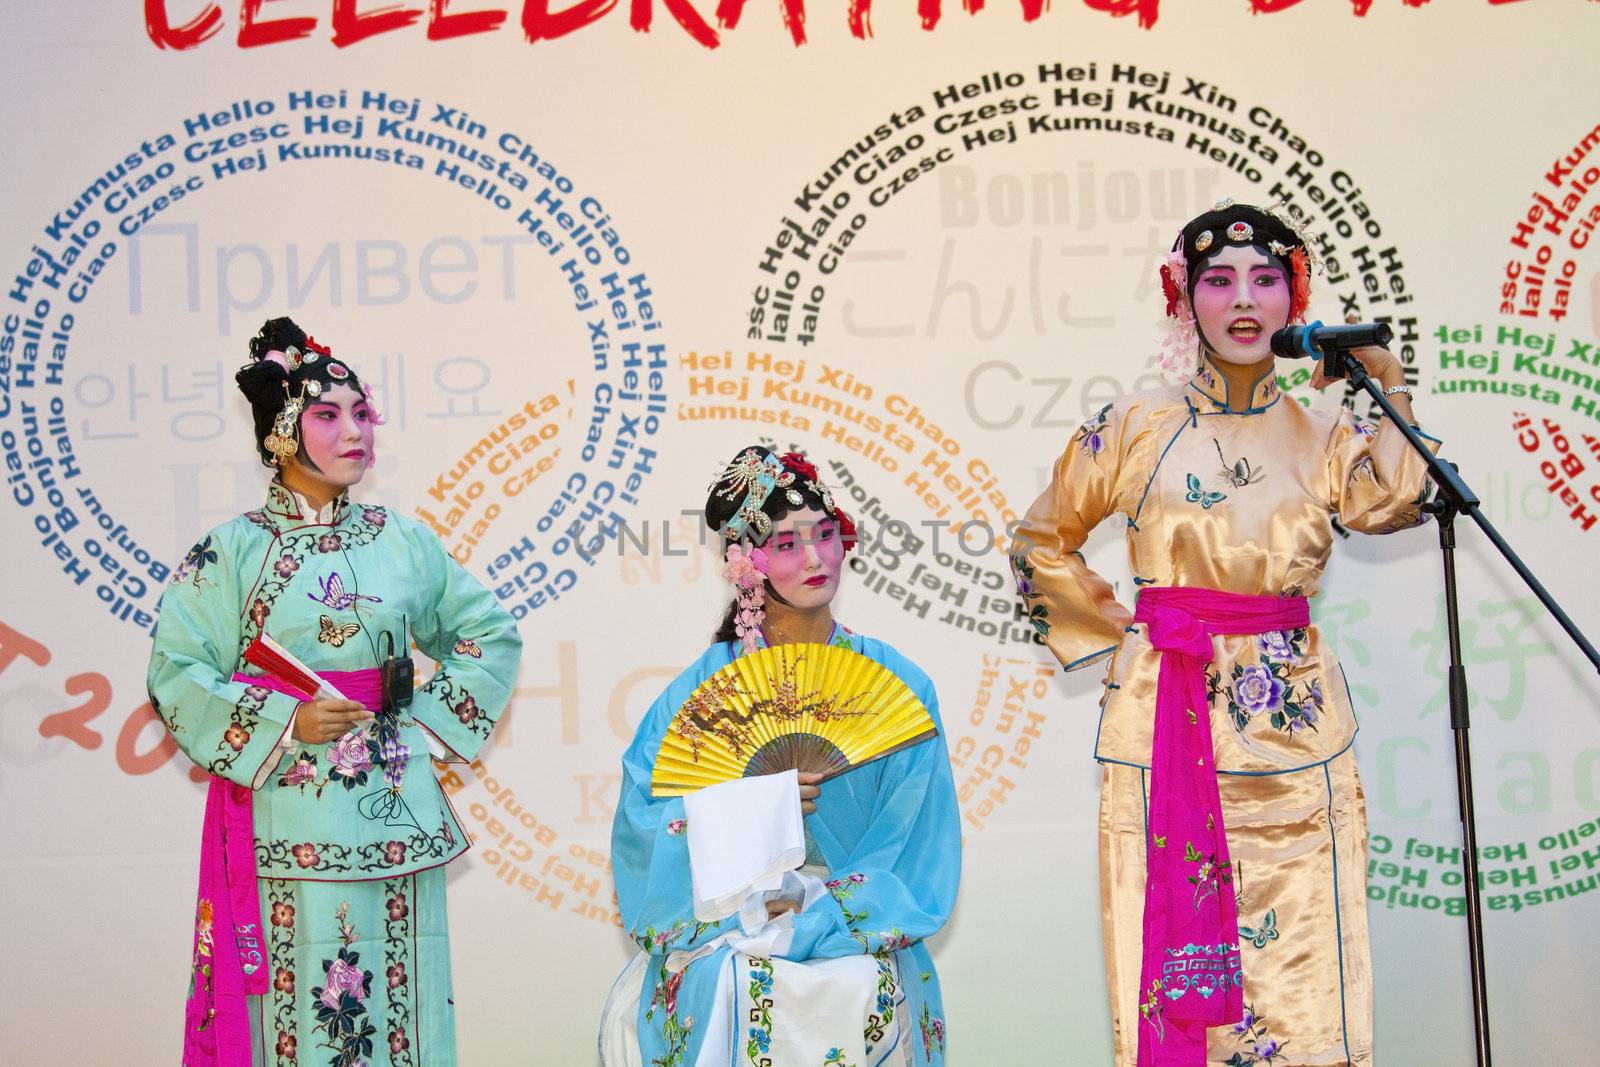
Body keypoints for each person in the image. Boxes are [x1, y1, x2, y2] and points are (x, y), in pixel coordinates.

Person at [1011, 200, 1441, 1067]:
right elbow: (1038, 539)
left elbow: (1398, 497)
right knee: (1161, 962)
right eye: (1218, 280)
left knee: (1307, 973)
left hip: (1293, 732)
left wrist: (1387, 379)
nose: (1243, 299)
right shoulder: (1135, 425)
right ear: (1185, 299)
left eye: (1265, 278)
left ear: (1294, 300)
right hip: (1164, 722)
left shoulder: (1326, 430)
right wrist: (1118, 644)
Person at [147, 317, 522, 1066]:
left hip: (392, 805)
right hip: (286, 807)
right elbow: (177, 670)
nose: (355, 430)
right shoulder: (231, 550)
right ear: (282, 432)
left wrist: (428, 730)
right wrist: (287, 720)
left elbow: (489, 634)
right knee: (301, 996)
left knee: (403, 991)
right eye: (327, 414)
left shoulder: (402, 539)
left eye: (362, 413)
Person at [602, 446, 960, 1067]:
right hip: (733, 923)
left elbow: (914, 840)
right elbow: (643, 828)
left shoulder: (900, 686)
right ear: (746, 564)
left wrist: (817, 904)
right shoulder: (695, 695)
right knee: (734, 986)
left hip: (854, 927)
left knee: (859, 988)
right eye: (789, 544)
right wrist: (750, 815)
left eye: (826, 536)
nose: (817, 558)